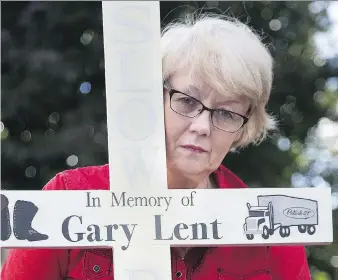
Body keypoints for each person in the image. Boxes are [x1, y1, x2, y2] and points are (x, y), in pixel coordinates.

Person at [1, 13, 311, 280]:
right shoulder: (66, 198)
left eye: (227, 113)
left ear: (244, 128)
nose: (202, 127)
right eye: (187, 101)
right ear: (153, 99)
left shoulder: (275, 234)